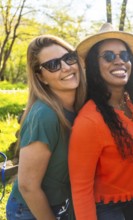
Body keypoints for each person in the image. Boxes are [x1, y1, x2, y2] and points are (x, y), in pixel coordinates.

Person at [68, 23, 133, 220]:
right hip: (106, 209)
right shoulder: (89, 120)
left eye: (124, 55)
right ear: (93, 65)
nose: (119, 61)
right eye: (108, 56)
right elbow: (81, 188)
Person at [6, 34, 87, 220]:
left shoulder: (79, 108)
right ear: (41, 78)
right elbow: (28, 186)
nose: (66, 67)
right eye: (53, 65)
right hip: (31, 211)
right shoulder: (45, 115)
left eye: (69, 58)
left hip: (61, 205)